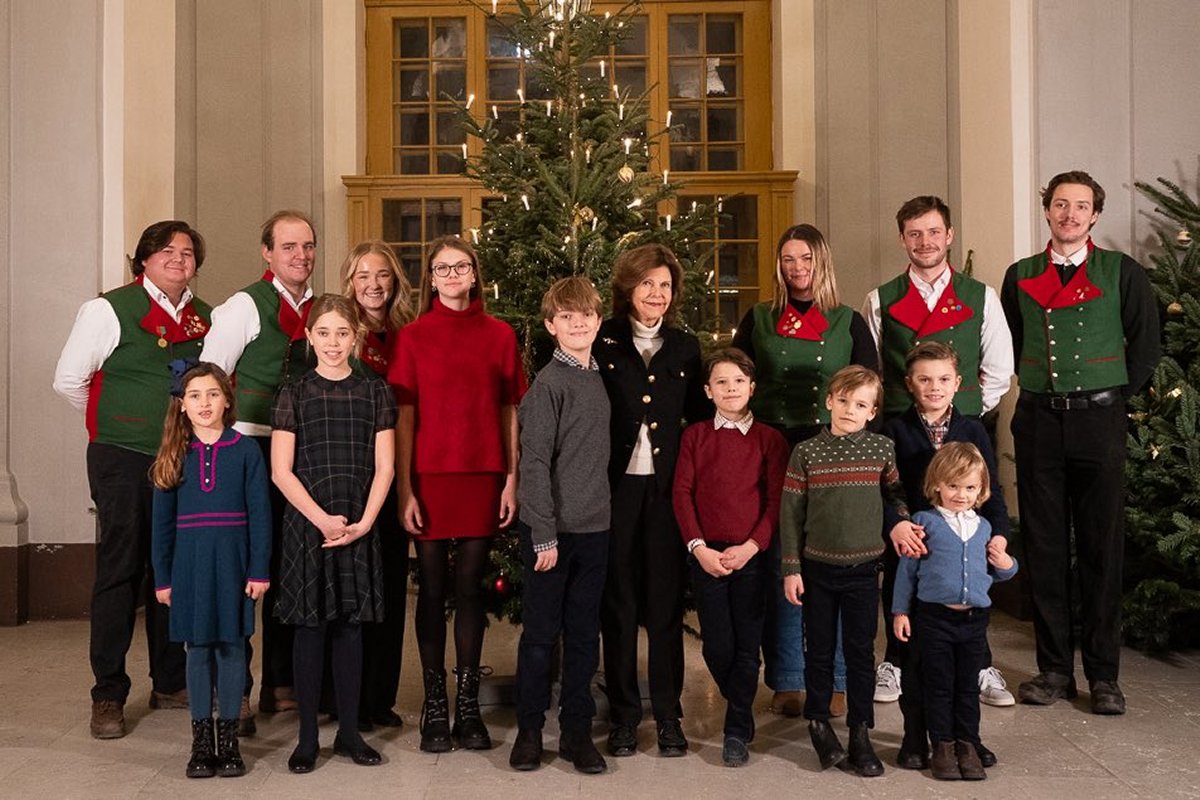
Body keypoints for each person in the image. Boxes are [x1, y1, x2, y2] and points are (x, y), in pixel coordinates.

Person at [1001, 170, 1160, 715]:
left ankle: (1104, 675)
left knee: (1100, 547)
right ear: (1047, 211)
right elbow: (1015, 343)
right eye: (1060, 205)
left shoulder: (1122, 272)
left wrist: (1110, 400)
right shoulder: (1019, 275)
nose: (1070, 214)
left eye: (1081, 206)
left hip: (1099, 421)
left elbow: (1145, 348)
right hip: (1039, 421)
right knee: (1044, 547)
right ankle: (1052, 671)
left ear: (1095, 215)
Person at [53, 220, 209, 739]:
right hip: (121, 457)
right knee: (120, 570)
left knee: (172, 568)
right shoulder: (108, 308)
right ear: (144, 258)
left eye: (187, 253)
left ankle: (168, 680)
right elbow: (70, 380)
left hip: (181, 459)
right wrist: (114, 424)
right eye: (166, 250)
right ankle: (108, 694)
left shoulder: (205, 317)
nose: (178, 259)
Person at [862, 196, 1013, 705]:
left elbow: (999, 368)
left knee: (967, 568)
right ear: (903, 239)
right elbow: (875, 373)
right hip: (907, 448)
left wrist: (964, 409)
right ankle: (895, 663)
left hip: (961, 442)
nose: (925, 242)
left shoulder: (981, 295)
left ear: (948, 235)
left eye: (933, 232)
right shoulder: (881, 299)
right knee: (905, 564)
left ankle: (980, 664)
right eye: (914, 234)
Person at [389, 235, 526, 753]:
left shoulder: (499, 335)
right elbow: (404, 416)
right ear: (431, 278)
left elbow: (509, 409)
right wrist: (405, 488)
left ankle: (468, 706)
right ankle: (434, 705)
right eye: (441, 268)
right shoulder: (414, 337)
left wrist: (511, 478)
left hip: (482, 473)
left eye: (460, 267)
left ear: (474, 275)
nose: (450, 275)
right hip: (428, 475)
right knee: (430, 587)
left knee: (469, 588)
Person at [732, 223, 875, 718]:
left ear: (822, 263)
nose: (797, 269)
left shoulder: (848, 321)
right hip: (772, 446)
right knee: (782, 563)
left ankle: (835, 676)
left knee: (833, 558)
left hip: (831, 446)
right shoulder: (759, 319)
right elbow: (736, 377)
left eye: (806, 259)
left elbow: (868, 384)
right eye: (788, 259)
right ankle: (789, 676)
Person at [201, 210, 318, 727]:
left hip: (302, 454)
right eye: (289, 247)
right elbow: (210, 375)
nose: (301, 255)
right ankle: (238, 691)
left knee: (289, 569)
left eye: (308, 246)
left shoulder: (322, 308)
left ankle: (280, 682)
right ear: (267, 253)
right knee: (246, 571)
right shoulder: (244, 306)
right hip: (250, 447)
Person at [270, 293, 396, 773]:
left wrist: (364, 521)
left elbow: (384, 467)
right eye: (323, 333)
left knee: (350, 627)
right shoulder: (294, 393)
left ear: (357, 337)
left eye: (343, 333)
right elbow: (282, 471)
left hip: (358, 522)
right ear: (309, 337)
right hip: (311, 524)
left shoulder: (375, 391)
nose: (333, 343)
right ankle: (306, 738)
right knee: (310, 627)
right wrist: (322, 519)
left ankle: (348, 732)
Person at [592, 243, 709, 758]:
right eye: (647, 285)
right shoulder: (602, 340)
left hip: (664, 492)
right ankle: (622, 717)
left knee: (663, 606)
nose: (656, 294)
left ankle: (667, 714)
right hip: (614, 490)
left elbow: (700, 420)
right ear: (628, 288)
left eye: (664, 286)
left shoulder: (685, 347)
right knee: (617, 605)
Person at [882, 342, 1011, 771]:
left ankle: (963, 739)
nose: (933, 387)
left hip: (962, 556)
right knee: (916, 662)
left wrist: (1000, 539)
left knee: (960, 664)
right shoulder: (894, 430)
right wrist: (897, 523)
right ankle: (916, 737)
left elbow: (990, 491)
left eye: (942, 379)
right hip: (913, 551)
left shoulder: (972, 429)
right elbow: (883, 489)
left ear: (958, 383)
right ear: (909, 384)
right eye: (923, 379)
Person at [780, 365, 908, 778]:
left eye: (861, 405)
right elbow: (790, 513)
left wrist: (903, 521)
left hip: (864, 570)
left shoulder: (881, 449)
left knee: (859, 651)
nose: (850, 410)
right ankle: (818, 723)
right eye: (844, 401)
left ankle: (860, 730)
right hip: (817, 569)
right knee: (817, 649)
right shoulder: (806, 452)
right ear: (829, 401)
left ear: (872, 411)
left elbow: (894, 496)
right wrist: (792, 567)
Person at [509, 277, 611, 775]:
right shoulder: (548, 385)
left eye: (586, 315)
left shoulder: (598, 377)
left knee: (583, 633)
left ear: (597, 319)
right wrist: (544, 532)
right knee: (541, 635)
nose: (578, 323)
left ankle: (575, 731)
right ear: (551, 326)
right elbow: (533, 463)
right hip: (550, 533)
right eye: (567, 317)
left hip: (595, 527)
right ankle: (530, 730)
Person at [150, 363, 271, 778]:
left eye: (213, 394)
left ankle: (230, 742)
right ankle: (202, 743)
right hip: (189, 568)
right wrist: (163, 577)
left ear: (227, 399)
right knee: (198, 651)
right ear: (182, 405)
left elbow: (260, 515)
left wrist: (259, 570)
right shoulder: (173, 454)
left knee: (233, 648)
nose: (204, 403)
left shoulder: (245, 451)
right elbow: (161, 526)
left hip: (235, 566)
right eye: (195, 395)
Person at [672, 348, 789, 767]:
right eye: (721, 382)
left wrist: (751, 547)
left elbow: (775, 502)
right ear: (708, 390)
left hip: (751, 556)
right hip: (706, 555)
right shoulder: (695, 436)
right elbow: (682, 494)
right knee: (717, 646)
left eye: (739, 381)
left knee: (746, 644)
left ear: (752, 387)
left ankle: (736, 729)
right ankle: (740, 699)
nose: (731, 388)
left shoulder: (769, 440)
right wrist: (698, 547)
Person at [893, 442, 1018, 781]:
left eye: (970, 487)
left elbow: (999, 571)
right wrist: (900, 612)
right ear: (937, 485)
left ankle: (967, 743)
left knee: (967, 687)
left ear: (981, 490)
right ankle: (943, 745)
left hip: (974, 621)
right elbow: (907, 572)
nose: (961, 494)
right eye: (952, 486)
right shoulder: (924, 522)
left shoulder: (984, 529)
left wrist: (1008, 565)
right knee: (938, 685)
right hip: (934, 619)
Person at [341, 241, 414, 730]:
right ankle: (344, 696)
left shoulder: (409, 335)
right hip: (348, 473)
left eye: (383, 275)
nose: (374, 284)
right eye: (363, 275)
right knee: (350, 588)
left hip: (399, 469)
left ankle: (379, 699)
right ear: (350, 281)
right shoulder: (337, 332)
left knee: (388, 586)